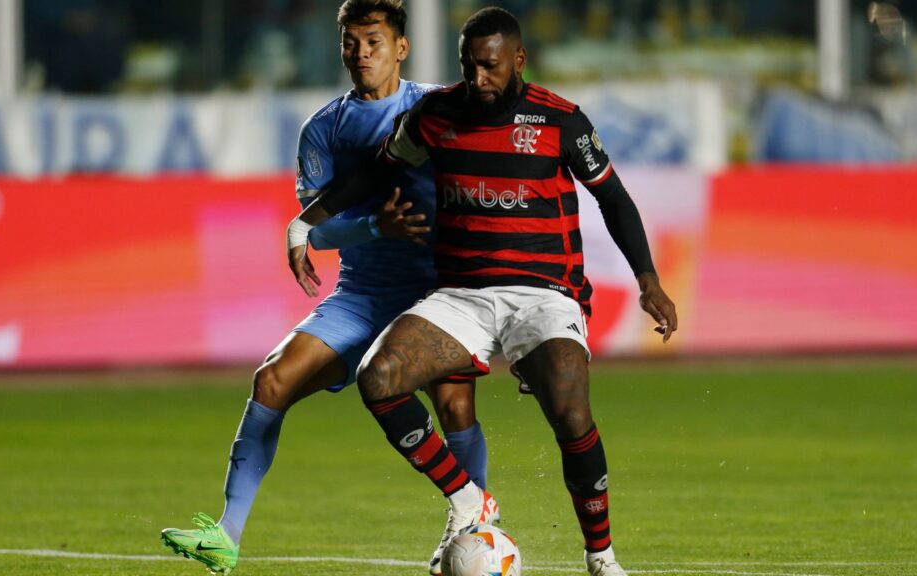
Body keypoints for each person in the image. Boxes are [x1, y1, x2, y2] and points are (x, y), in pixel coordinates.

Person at [288, 7, 677, 575]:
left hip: (544, 294)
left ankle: (601, 558)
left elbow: (612, 198)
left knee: (571, 412)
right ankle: (469, 499)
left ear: (519, 60)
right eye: (468, 65)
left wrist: (648, 280)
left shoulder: (561, 121)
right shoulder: (435, 115)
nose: (478, 78)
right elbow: (375, 171)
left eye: (490, 66)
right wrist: (306, 222)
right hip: (463, 294)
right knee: (379, 378)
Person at [159, 2, 494, 574]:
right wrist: (374, 228)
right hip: (362, 294)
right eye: (350, 42)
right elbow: (317, 227)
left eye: (374, 41)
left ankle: (476, 523)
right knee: (272, 380)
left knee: (453, 403)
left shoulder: (437, 108)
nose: (361, 53)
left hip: (435, 291)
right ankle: (226, 534)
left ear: (402, 47)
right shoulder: (323, 128)